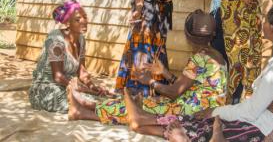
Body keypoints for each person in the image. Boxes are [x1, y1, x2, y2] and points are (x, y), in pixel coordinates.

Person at [121, 4, 273, 142]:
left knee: (210, 124)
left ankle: (142, 122)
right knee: (208, 119)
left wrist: (216, 111)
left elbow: (250, 111)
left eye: (265, 21)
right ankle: (143, 121)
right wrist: (264, 101)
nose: (262, 24)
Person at [68, 10, 227, 124]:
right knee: (146, 101)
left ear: (188, 37)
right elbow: (186, 86)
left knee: (143, 107)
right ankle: (91, 105)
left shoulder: (199, 58)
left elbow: (173, 93)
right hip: (200, 106)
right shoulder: (216, 55)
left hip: (193, 112)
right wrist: (164, 73)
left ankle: (83, 113)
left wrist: (149, 81)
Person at [29, 0, 106, 113]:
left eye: (85, 17)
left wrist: (93, 87)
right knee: (88, 103)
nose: (84, 21)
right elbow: (58, 77)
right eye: (77, 19)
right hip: (48, 89)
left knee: (100, 98)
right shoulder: (56, 40)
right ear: (68, 23)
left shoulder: (81, 39)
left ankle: (114, 109)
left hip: (67, 86)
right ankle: (111, 111)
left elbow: (82, 72)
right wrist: (87, 91)